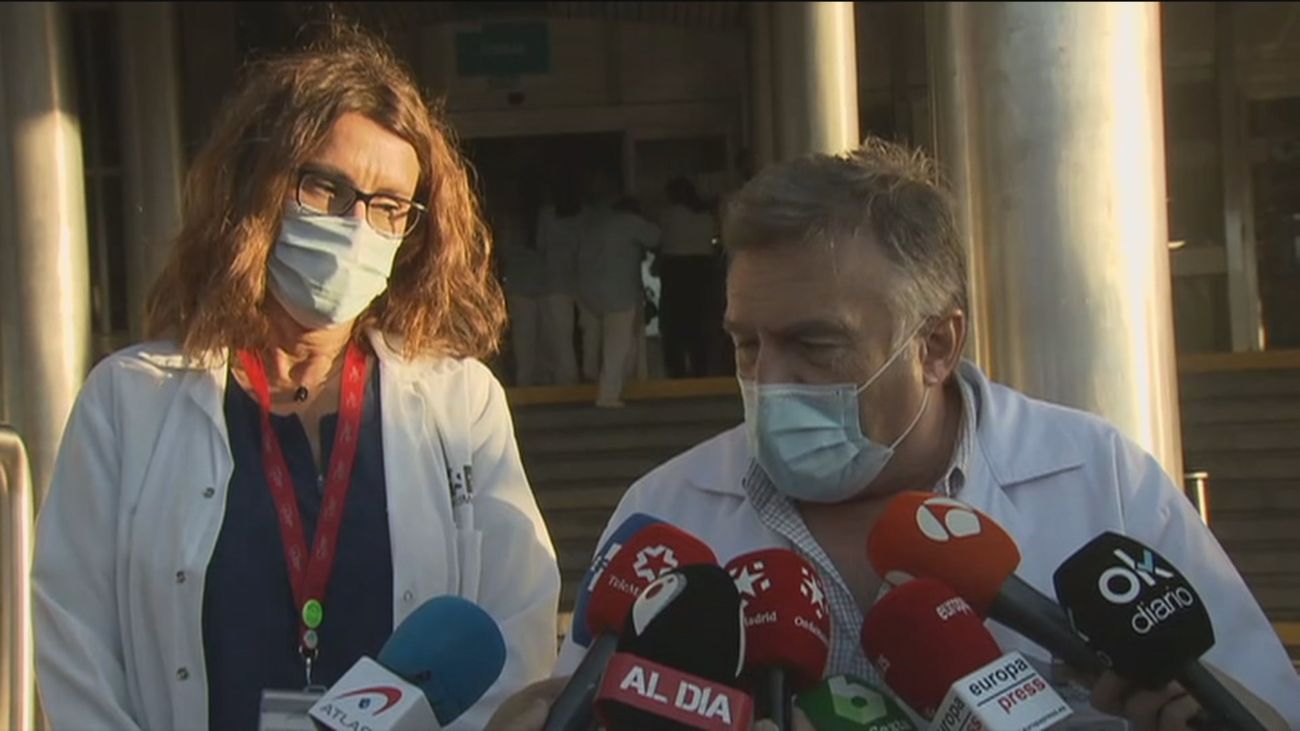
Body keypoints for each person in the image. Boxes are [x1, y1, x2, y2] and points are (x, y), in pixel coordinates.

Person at [545, 140, 1300, 728]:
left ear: (937, 345)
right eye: (747, 344)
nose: (770, 379)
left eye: (815, 344)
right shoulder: (667, 514)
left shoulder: (1098, 479)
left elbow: (1264, 704)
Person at [31, 27, 560, 731]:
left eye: (387, 206)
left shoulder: (458, 402)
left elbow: (515, 631)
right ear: (260, 186)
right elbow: (75, 638)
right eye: (325, 188)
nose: (355, 226)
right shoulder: (129, 400)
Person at [576, 184, 661, 408]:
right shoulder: (630, 223)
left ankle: (591, 375)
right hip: (620, 293)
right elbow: (655, 237)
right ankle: (608, 394)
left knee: (594, 340)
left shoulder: (595, 225)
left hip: (588, 292)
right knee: (617, 345)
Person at [657, 176, 719, 378]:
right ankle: (700, 367)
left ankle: (676, 370)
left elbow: (658, 239)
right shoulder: (706, 216)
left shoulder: (668, 215)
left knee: (673, 323)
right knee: (700, 321)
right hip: (702, 268)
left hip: (675, 269)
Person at [494, 178, 546, 386]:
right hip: (531, 284)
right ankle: (531, 383)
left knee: (527, 339)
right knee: (533, 339)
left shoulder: (544, 217)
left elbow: (504, 252)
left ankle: (531, 382)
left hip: (531, 284)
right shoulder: (514, 221)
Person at [536, 176, 586, 385]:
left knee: (559, 336)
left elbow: (541, 244)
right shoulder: (585, 216)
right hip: (582, 281)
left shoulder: (547, 215)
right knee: (587, 334)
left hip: (554, 282)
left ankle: (566, 379)